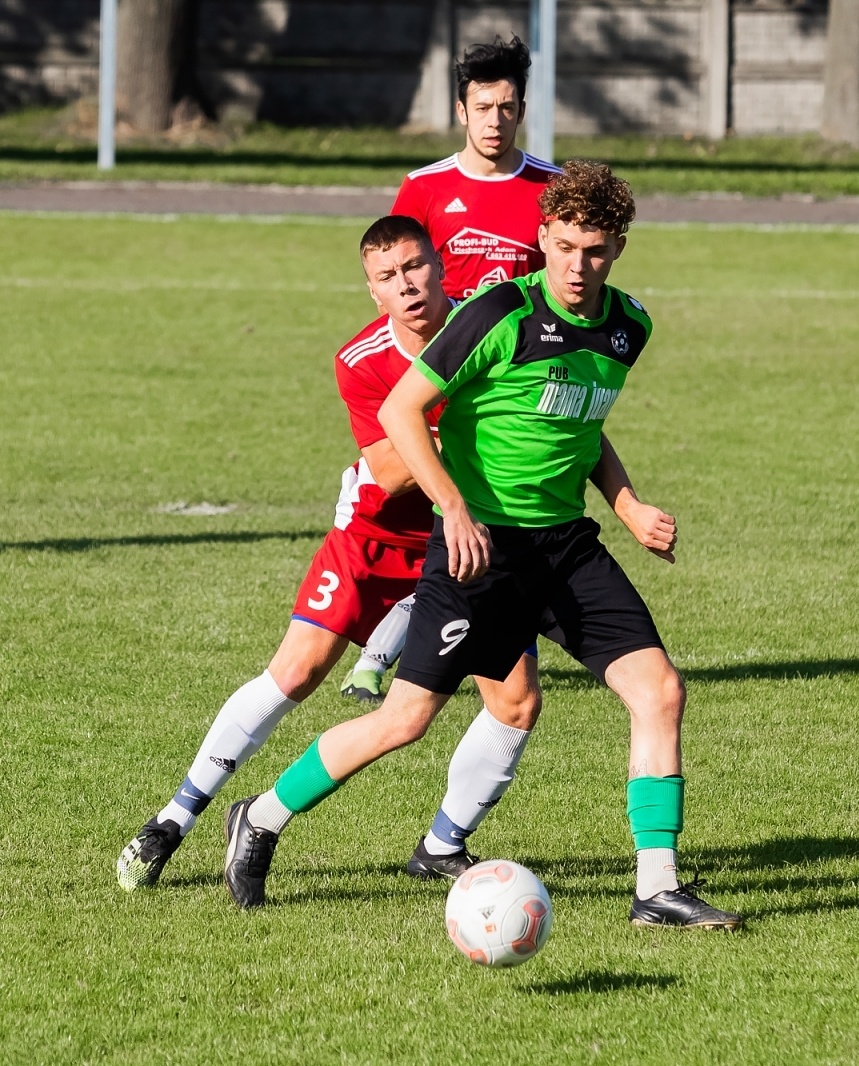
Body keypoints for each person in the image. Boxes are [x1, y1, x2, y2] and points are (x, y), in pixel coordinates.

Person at [222, 162, 746, 930]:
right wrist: (454, 508)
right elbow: (405, 410)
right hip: (480, 551)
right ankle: (261, 817)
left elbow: (579, 422)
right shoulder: (502, 311)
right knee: (404, 721)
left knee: (659, 691)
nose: (576, 265)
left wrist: (628, 506)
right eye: (562, 246)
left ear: (619, 248)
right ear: (542, 239)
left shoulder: (628, 327)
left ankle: (656, 889)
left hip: (566, 547)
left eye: (593, 250)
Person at [116, 215, 541, 890]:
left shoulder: (492, 328)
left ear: (440, 266)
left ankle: (442, 843)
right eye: (387, 277)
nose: (406, 287)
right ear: (372, 291)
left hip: (466, 537)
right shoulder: (361, 359)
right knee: (299, 671)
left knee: (515, 700)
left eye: (415, 268)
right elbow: (393, 471)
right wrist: (452, 410)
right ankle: (175, 817)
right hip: (377, 538)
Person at [337, 35, 558, 702]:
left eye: (507, 107)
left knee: (487, 527)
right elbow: (394, 279)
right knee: (436, 518)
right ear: (461, 110)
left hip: (504, 392)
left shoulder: (550, 188)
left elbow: (561, 298)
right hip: (428, 385)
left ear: (522, 108)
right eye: (482, 107)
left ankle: (399, 656)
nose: (495, 120)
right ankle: (399, 650)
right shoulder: (424, 188)